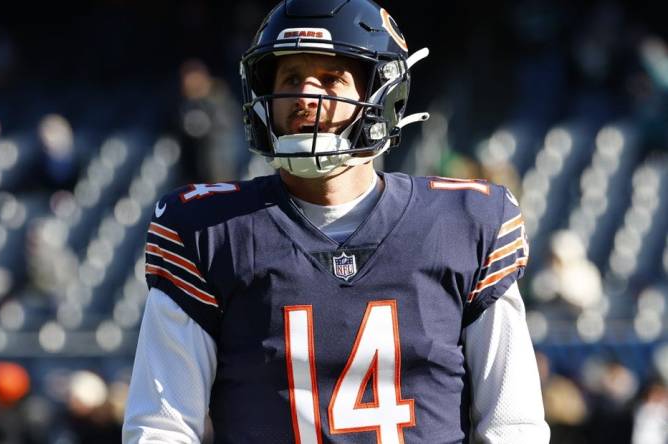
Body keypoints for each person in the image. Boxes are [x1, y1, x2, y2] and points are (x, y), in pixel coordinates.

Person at [124, 0, 550, 442]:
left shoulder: (463, 224)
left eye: (330, 79)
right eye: (290, 79)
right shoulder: (208, 231)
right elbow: (161, 427)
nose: (305, 95)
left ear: (381, 93)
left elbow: (513, 425)